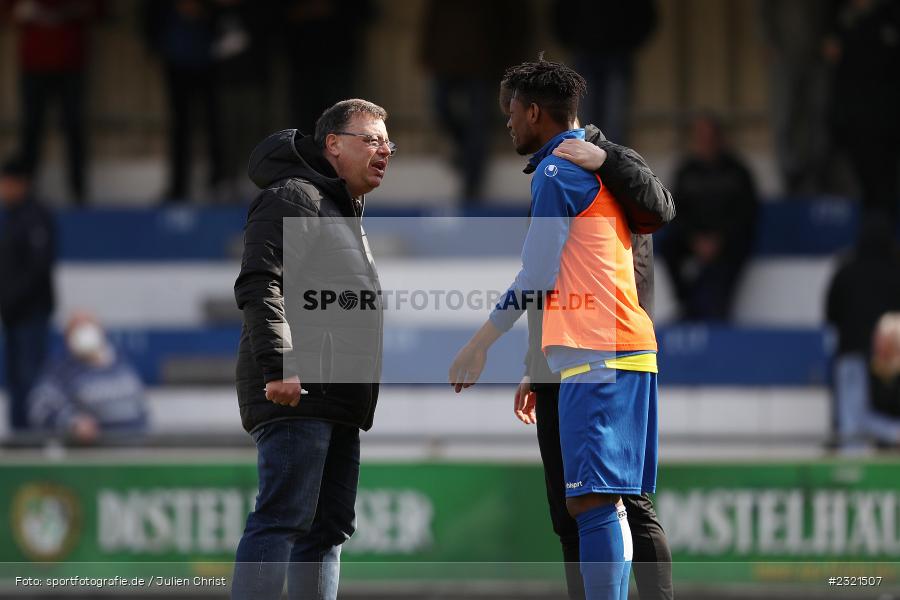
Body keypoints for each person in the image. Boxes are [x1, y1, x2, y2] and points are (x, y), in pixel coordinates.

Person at [450, 58, 660, 600]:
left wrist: (480, 343)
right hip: (609, 347)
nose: (508, 124)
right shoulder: (593, 170)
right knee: (595, 501)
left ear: (535, 112)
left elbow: (537, 275)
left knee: (595, 502)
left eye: (511, 113)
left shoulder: (555, 173)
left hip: (599, 350)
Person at [231, 99, 392, 600]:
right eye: (371, 139)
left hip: (336, 397)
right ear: (333, 145)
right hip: (299, 393)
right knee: (282, 519)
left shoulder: (340, 208)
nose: (384, 150)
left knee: (328, 529)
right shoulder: (293, 196)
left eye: (389, 142)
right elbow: (261, 282)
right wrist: (279, 363)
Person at [515, 129, 674, 600]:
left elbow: (661, 207)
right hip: (560, 357)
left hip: (609, 351)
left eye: (513, 111)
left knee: (626, 503)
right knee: (571, 508)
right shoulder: (552, 174)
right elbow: (552, 283)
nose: (508, 123)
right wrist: (534, 362)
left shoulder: (606, 162)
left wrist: (605, 158)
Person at [419, 0, 534, 204]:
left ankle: (472, 184)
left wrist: (509, 59)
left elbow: (516, 21)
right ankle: (466, 152)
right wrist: (427, 53)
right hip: (446, 59)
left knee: (478, 124)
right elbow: (434, 16)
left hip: (484, 62)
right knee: (441, 109)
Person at [0, 0, 106, 204]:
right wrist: (23, 12)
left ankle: (78, 192)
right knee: (32, 128)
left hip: (70, 60)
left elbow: (99, 10)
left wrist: (71, 10)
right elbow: (8, 12)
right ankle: (24, 194)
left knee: (74, 126)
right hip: (34, 61)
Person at [662, 113, 758, 321]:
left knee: (732, 254)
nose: (704, 143)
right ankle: (685, 302)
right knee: (667, 245)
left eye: (709, 137)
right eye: (700, 137)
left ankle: (717, 309)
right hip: (693, 239)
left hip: (727, 240)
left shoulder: (737, 172)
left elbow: (746, 213)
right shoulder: (686, 171)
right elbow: (674, 210)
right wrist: (694, 239)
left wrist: (719, 239)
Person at [826, 212, 900, 449]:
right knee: (886, 416)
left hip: (853, 354)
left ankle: (852, 476)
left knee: (852, 431)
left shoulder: (845, 272)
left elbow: (830, 314)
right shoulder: (896, 273)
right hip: (889, 359)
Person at [825, 0, 900, 223]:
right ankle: (868, 240)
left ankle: (883, 240)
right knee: (857, 184)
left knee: (884, 184)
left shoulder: (890, 15)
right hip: (850, 118)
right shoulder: (840, 15)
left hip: (885, 117)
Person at [141, 0, 223, 202]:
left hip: (209, 57)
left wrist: (204, 10)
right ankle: (179, 186)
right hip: (177, 58)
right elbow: (151, 14)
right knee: (180, 125)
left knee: (214, 122)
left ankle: (217, 181)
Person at [28, 312, 148, 443]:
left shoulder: (120, 362)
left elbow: (140, 403)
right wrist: (72, 422)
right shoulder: (61, 369)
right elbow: (39, 408)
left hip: (134, 445)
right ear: (67, 336)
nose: (84, 332)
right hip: (93, 452)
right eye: (77, 327)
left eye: (88, 325)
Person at [550, 0, 657, 145]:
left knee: (615, 119)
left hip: (618, 56)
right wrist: (574, 42)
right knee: (584, 117)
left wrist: (629, 43)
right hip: (585, 55)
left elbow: (645, 14)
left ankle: (611, 159)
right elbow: (559, 13)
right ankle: (587, 157)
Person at [0, 156, 55, 434]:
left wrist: (10, 301)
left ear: (21, 184)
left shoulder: (35, 217)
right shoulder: (11, 217)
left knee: (31, 380)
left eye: (7, 183)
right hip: (13, 316)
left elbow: (37, 270)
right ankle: (18, 437)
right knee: (16, 381)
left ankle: (32, 440)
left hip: (31, 315)